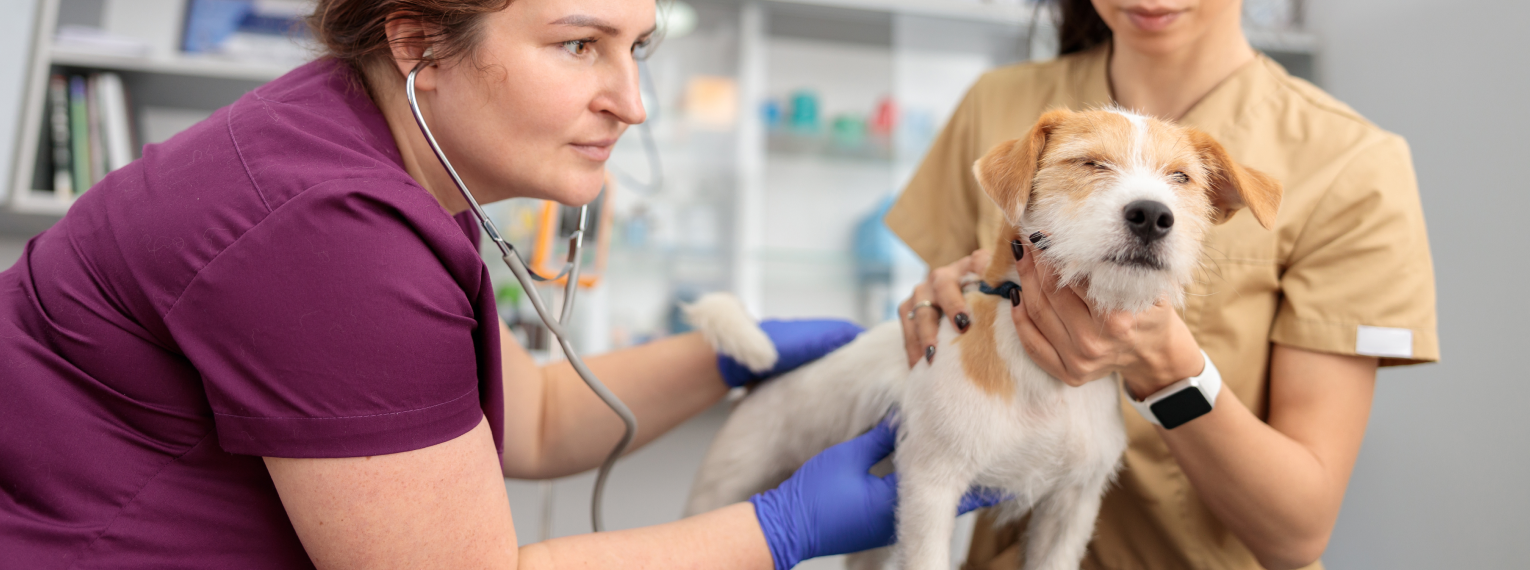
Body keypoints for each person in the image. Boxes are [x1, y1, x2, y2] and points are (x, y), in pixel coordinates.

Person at [0, 0, 1000, 568]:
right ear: (419, 42)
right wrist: (782, 527)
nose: (634, 103)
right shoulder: (334, 235)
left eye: (637, 49)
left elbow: (534, 421)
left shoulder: (369, 150)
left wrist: (734, 358)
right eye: (579, 46)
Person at [888, 0, 1437, 569]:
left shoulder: (1354, 164)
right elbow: (946, 333)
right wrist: (943, 306)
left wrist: (1166, 366)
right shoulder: (995, 103)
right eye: (1091, 167)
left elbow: (1297, 534)